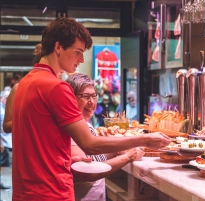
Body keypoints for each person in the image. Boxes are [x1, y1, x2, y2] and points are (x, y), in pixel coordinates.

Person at [12, 17, 170, 200]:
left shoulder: (26, 82)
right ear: (58, 47)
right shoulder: (56, 86)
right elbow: (90, 144)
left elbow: (36, 143)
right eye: (78, 52)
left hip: (26, 191)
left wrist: (66, 160)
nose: (82, 59)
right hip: (51, 192)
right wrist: (144, 139)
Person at [66, 73, 144, 201]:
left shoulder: (85, 125)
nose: (91, 102)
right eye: (85, 96)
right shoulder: (72, 129)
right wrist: (128, 157)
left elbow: (93, 159)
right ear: (70, 98)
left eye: (93, 96)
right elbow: (88, 173)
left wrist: (114, 153)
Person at [0, 90, 12, 190]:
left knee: (3, 164)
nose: (8, 100)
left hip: (6, 141)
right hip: (2, 142)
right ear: (1, 98)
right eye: (6, 98)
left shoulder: (6, 108)